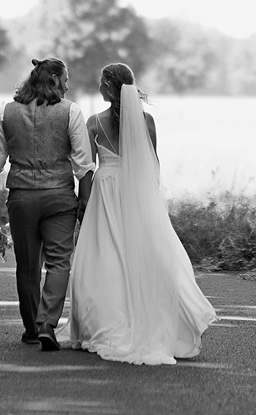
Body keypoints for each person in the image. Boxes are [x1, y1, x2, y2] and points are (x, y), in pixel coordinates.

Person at [56, 62, 216, 365]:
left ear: (108, 86)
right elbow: (152, 166)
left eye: (103, 82)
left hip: (106, 192)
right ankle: (146, 321)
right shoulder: (149, 122)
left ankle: (103, 323)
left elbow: (87, 170)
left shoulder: (93, 123)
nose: (100, 86)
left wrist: (82, 205)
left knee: (104, 257)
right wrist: (150, 202)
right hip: (136, 193)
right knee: (139, 254)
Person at [0, 58, 95, 351]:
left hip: (21, 197)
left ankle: (31, 328)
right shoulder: (71, 112)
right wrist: (85, 203)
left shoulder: (7, 112)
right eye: (65, 79)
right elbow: (84, 166)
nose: (68, 85)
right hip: (59, 198)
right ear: (54, 79)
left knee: (27, 265)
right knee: (59, 262)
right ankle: (47, 324)